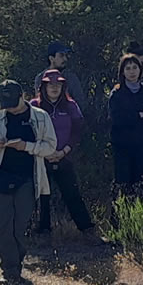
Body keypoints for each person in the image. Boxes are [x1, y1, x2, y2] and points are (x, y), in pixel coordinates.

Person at [0, 80, 56, 285]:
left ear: (23, 96)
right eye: (6, 104)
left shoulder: (40, 117)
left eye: (13, 103)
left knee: (20, 227)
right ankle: (10, 272)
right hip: (1, 178)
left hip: (28, 179)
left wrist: (26, 146)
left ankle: (17, 266)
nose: (10, 108)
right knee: (4, 227)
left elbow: (50, 147)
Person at [34, 69, 102, 238]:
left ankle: (87, 230)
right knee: (42, 195)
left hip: (64, 157)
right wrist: (43, 152)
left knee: (72, 194)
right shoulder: (34, 105)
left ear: (63, 87)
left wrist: (65, 150)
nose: (54, 88)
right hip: (41, 158)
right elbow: (29, 131)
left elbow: (77, 130)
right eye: (50, 84)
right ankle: (43, 232)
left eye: (58, 84)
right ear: (43, 87)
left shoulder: (71, 105)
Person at [107, 53, 143, 199]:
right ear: (122, 72)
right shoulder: (117, 94)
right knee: (123, 187)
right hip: (122, 148)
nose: (132, 71)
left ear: (140, 70)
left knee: (142, 185)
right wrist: (137, 115)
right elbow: (117, 119)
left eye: (135, 67)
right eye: (128, 68)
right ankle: (121, 214)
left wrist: (130, 117)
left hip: (142, 146)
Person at [45, 40, 87, 108]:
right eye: (61, 55)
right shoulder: (40, 78)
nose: (65, 59)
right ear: (51, 58)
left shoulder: (71, 77)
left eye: (65, 55)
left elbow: (80, 103)